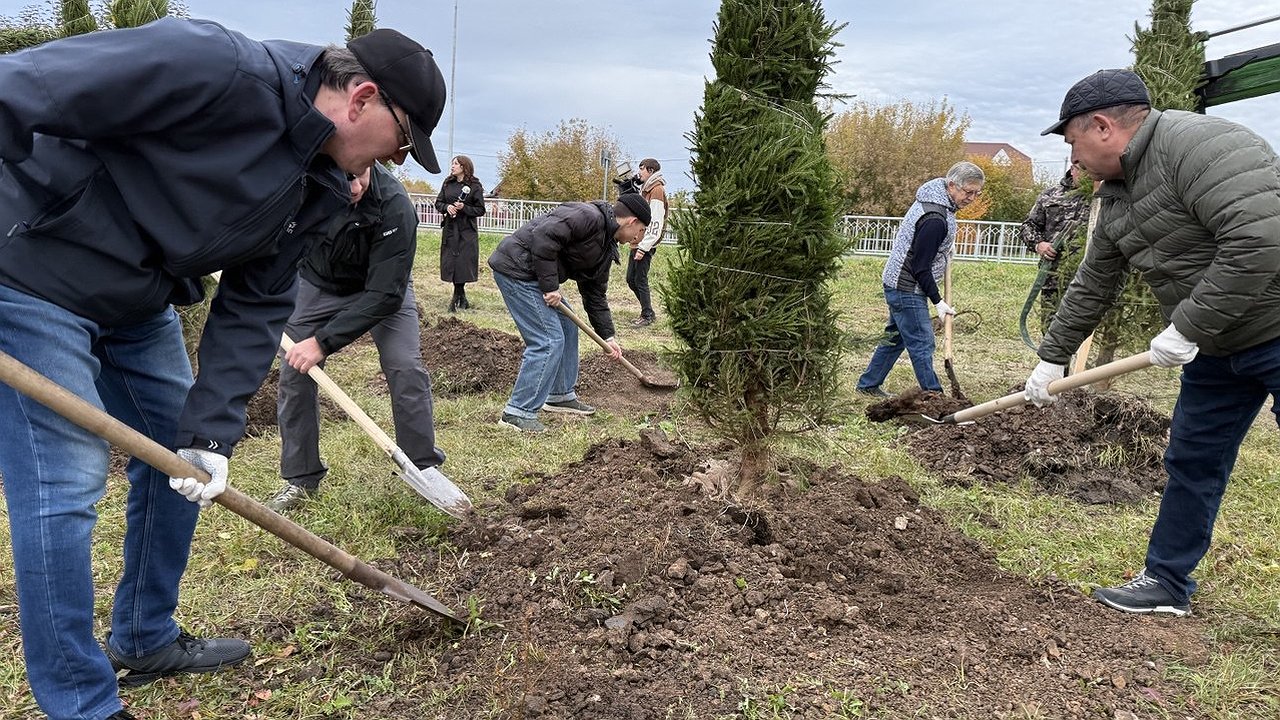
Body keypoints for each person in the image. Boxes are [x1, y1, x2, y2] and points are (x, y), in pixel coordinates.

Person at [0, 20, 444, 720]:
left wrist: (210, 432)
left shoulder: (317, 181)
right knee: (65, 479)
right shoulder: (211, 66)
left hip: (140, 298)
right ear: (362, 99)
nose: (394, 161)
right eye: (403, 142)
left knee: (184, 460)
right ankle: (79, 704)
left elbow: (259, 300)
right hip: (33, 269)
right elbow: (21, 90)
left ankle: (144, 637)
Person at [1026, 68, 1280, 616]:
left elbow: (1259, 238)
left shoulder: (1203, 146)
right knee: (1192, 460)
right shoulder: (1116, 196)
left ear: (1101, 127)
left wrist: (1188, 324)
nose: (1074, 161)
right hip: (1217, 348)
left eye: (1071, 145)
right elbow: (1094, 281)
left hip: (1271, 330)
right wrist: (1051, 359)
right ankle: (1166, 582)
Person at [266, 164, 449, 513]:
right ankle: (301, 477)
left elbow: (386, 295)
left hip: (383, 287)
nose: (353, 186)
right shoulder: (302, 185)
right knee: (294, 373)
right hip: (318, 284)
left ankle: (422, 466)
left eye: (359, 175)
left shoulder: (394, 204)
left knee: (405, 366)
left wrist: (322, 342)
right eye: (343, 178)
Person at [487, 194, 650, 433]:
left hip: (535, 275)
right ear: (632, 221)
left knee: (566, 326)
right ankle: (517, 412)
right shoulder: (587, 216)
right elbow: (544, 236)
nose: (638, 238)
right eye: (641, 230)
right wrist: (550, 286)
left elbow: (594, 295)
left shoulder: (605, 246)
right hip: (517, 269)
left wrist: (609, 337)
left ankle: (560, 394)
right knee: (548, 339)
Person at [855, 161, 986, 397]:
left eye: (977, 193)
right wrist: (938, 301)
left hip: (899, 281)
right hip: (907, 286)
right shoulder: (935, 219)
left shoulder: (938, 201)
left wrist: (943, 250)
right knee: (922, 342)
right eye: (968, 192)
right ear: (952, 185)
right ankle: (934, 396)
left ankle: (868, 384)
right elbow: (920, 267)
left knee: (895, 338)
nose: (972, 198)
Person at [1020, 164, 1090, 328]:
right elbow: (1028, 226)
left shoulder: (1102, 196)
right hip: (1053, 276)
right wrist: (1039, 244)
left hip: (1089, 278)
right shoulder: (1050, 195)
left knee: (1082, 329)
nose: (1086, 175)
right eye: (1082, 169)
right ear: (1072, 169)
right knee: (1051, 328)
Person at [435, 155, 487, 312]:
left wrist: (464, 207)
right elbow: (439, 202)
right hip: (451, 229)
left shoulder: (474, 186)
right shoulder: (447, 183)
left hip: (466, 230)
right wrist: (447, 208)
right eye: (452, 163)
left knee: (463, 262)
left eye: (456, 164)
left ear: (464, 167)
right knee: (451, 262)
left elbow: (480, 209)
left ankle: (457, 296)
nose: (452, 166)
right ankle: (460, 295)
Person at [626, 158, 669, 327]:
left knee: (640, 279)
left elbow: (656, 221)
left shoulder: (656, 190)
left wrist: (644, 247)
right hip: (639, 240)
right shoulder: (646, 188)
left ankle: (647, 315)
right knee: (631, 279)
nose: (639, 172)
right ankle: (647, 310)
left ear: (651, 171)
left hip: (645, 243)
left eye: (642, 169)